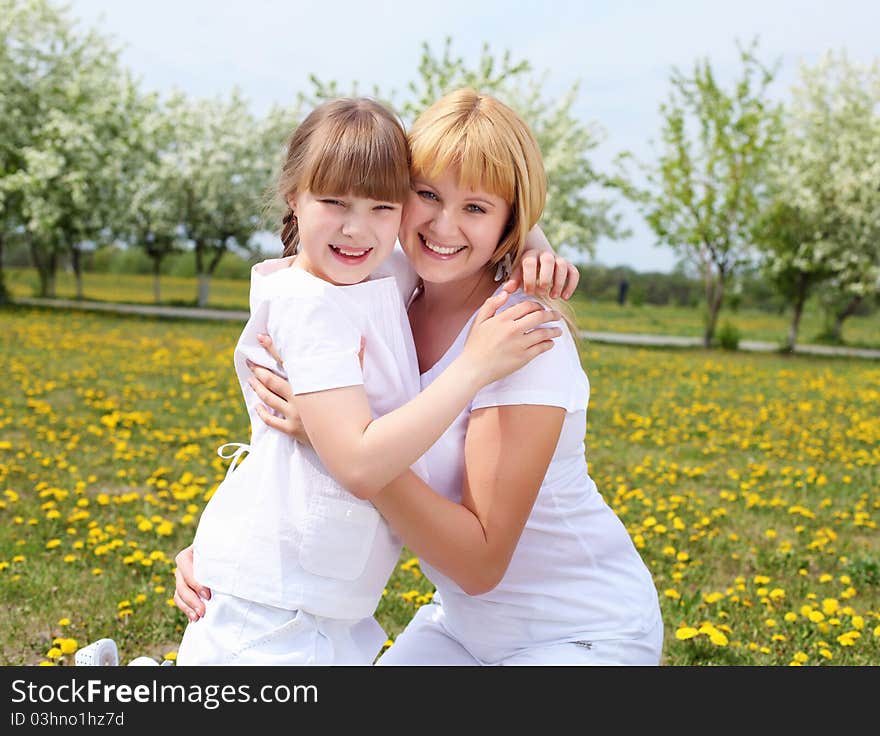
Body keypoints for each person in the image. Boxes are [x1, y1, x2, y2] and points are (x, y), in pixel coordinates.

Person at [176, 88, 663, 666]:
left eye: (477, 209)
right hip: (458, 628)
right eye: (426, 195)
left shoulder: (520, 339)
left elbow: (479, 564)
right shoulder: (389, 286)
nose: (443, 225)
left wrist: (333, 443)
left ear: (509, 219)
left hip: (582, 634)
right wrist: (234, 552)